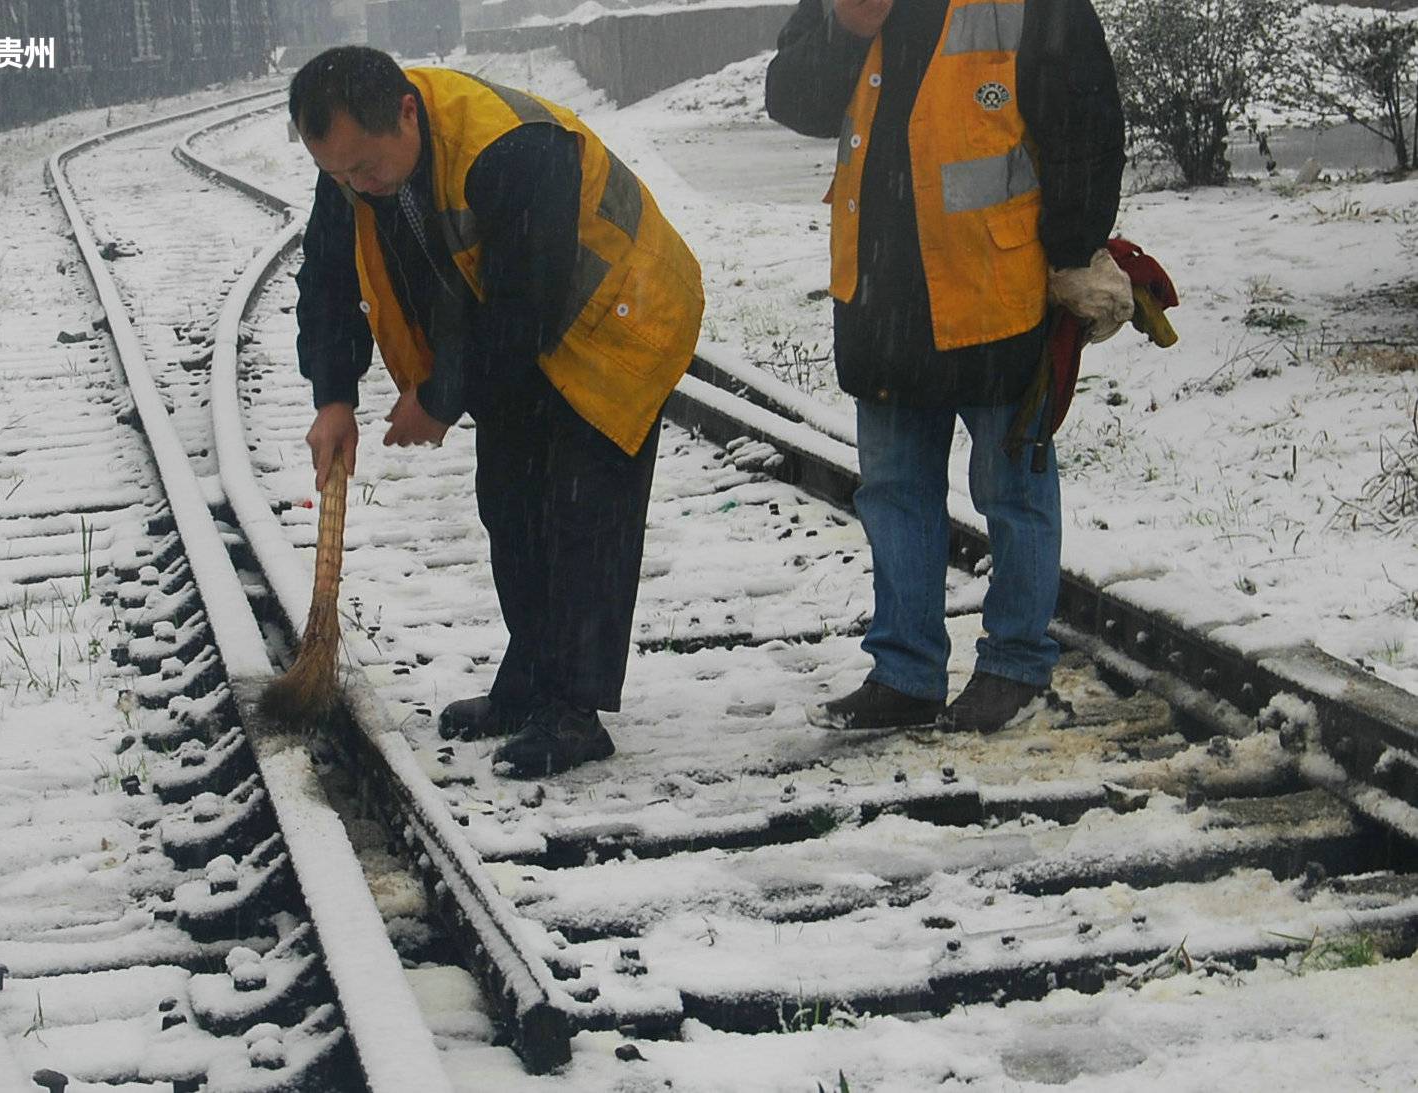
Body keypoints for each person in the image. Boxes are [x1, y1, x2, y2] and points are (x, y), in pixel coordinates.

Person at [289, 46, 705, 776]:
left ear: (406, 113)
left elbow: (523, 307)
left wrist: (441, 396)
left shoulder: (513, 147)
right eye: (337, 174)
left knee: (581, 511)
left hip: (619, 317)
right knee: (510, 503)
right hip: (525, 328)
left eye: (363, 167)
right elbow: (327, 275)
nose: (357, 186)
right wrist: (333, 397)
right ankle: (529, 682)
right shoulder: (356, 172)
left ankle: (574, 711)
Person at [765, 0, 1131, 733]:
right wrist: (847, 29)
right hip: (882, 292)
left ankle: (1015, 664)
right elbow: (792, 99)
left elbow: (1085, 128)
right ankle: (904, 671)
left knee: (1011, 491)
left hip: (994, 290)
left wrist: (1072, 252)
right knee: (894, 490)